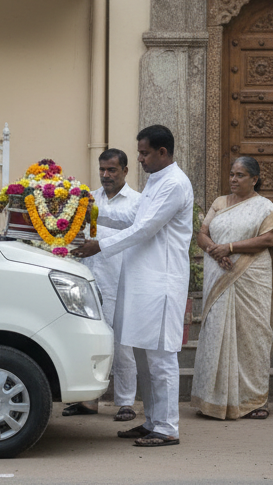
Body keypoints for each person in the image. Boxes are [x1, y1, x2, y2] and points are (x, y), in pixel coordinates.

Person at [73, 125, 193, 448]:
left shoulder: (175, 184)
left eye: (143, 153)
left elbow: (144, 229)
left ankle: (168, 427)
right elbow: (130, 217)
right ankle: (152, 421)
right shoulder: (156, 181)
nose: (139, 159)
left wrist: (99, 245)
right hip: (142, 282)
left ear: (162, 153)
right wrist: (85, 210)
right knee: (143, 355)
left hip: (162, 282)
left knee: (161, 357)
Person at [190, 156, 273, 420]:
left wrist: (230, 248)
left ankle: (254, 401)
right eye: (232, 174)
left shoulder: (265, 207)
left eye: (240, 175)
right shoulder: (220, 203)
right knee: (216, 332)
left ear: (254, 179)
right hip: (219, 272)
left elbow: (269, 238)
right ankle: (213, 400)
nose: (233, 179)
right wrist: (215, 250)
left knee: (252, 335)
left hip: (250, 276)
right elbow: (202, 233)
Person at [63, 148, 144, 420]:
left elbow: (137, 238)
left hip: (122, 280)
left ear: (125, 171)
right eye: (102, 170)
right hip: (88, 280)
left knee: (122, 344)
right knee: (87, 340)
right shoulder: (87, 200)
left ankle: (125, 403)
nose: (105, 175)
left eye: (111, 170)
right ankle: (88, 401)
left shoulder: (137, 202)